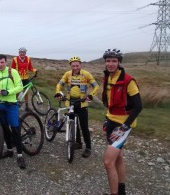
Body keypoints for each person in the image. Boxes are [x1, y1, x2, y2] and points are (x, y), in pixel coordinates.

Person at [101, 49, 142, 195]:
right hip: (111, 120)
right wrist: (107, 119)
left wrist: (124, 127)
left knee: (108, 162)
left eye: (114, 61)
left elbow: (138, 107)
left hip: (123, 125)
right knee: (118, 158)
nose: (110, 64)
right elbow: (110, 103)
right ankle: (122, 190)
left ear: (119, 63)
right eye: (108, 61)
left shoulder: (128, 80)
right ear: (105, 62)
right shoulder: (108, 77)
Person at [54, 56, 99, 158]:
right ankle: (78, 143)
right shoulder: (67, 74)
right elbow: (59, 84)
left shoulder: (86, 74)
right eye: (73, 66)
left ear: (80, 65)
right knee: (73, 124)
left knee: (84, 126)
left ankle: (88, 148)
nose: (75, 67)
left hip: (82, 103)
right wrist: (58, 92)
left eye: (77, 65)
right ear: (70, 66)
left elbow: (96, 86)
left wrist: (91, 95)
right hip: (70, 103)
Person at [0, 54, 26, 169]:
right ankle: (10, 150)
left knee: (15, 129)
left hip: (11, 105)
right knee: (4, 129)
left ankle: (20, 155)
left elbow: (20, 87)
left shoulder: (13, 72)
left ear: (6, 62)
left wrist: (7, 92)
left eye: (2, 62)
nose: (0, 64)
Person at [11, 47, 38, 112]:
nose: (22, 53)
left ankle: (26, 106)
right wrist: (12, 77)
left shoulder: (28, 59)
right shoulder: (15, 59)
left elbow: (30, 68)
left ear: (25, 53)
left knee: (26, 92)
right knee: (18, 91)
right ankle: (14, 104)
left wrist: (35, 70)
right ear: (19, 53)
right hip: (18, 78)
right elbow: (12, 69)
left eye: (23, 52)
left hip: (26, 78)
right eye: (21, 52)